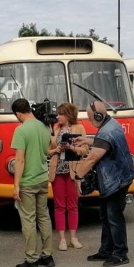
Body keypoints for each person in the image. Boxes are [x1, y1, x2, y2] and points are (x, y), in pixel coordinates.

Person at [72, 101, 134, 267]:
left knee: (113, 217)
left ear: (98, 116)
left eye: (91, 118)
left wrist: (78, 176)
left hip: (117, 181)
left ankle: (120, 253)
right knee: (106, 216)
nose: (90, 120)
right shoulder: (110, 124)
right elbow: (103, 142)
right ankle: (106, 250)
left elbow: (93, 158)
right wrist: (87, 140)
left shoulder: (107, 131)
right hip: (116, 179)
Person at [10, 98, 54, 267]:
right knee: (44, 216)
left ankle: (31, 259)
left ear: (18, 113)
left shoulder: (21, 130)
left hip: (28, 181)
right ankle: (48, 255)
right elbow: (46, 151)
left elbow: (19, 160)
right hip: (43, 179)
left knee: (28, 219)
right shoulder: (44, 127)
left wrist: (16, 185)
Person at [47, 102, 88, 251]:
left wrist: (71, 147)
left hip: (72, 171)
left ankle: (73, 238)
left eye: (60, 114)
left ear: (68, 115)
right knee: (59, 205)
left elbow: (85, 150)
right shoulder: (54, 130)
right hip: (57, 171)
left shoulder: (79, 128)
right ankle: (62, 239)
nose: (57, 117)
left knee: (73, 205)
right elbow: (46, 150)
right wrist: (55, 150)